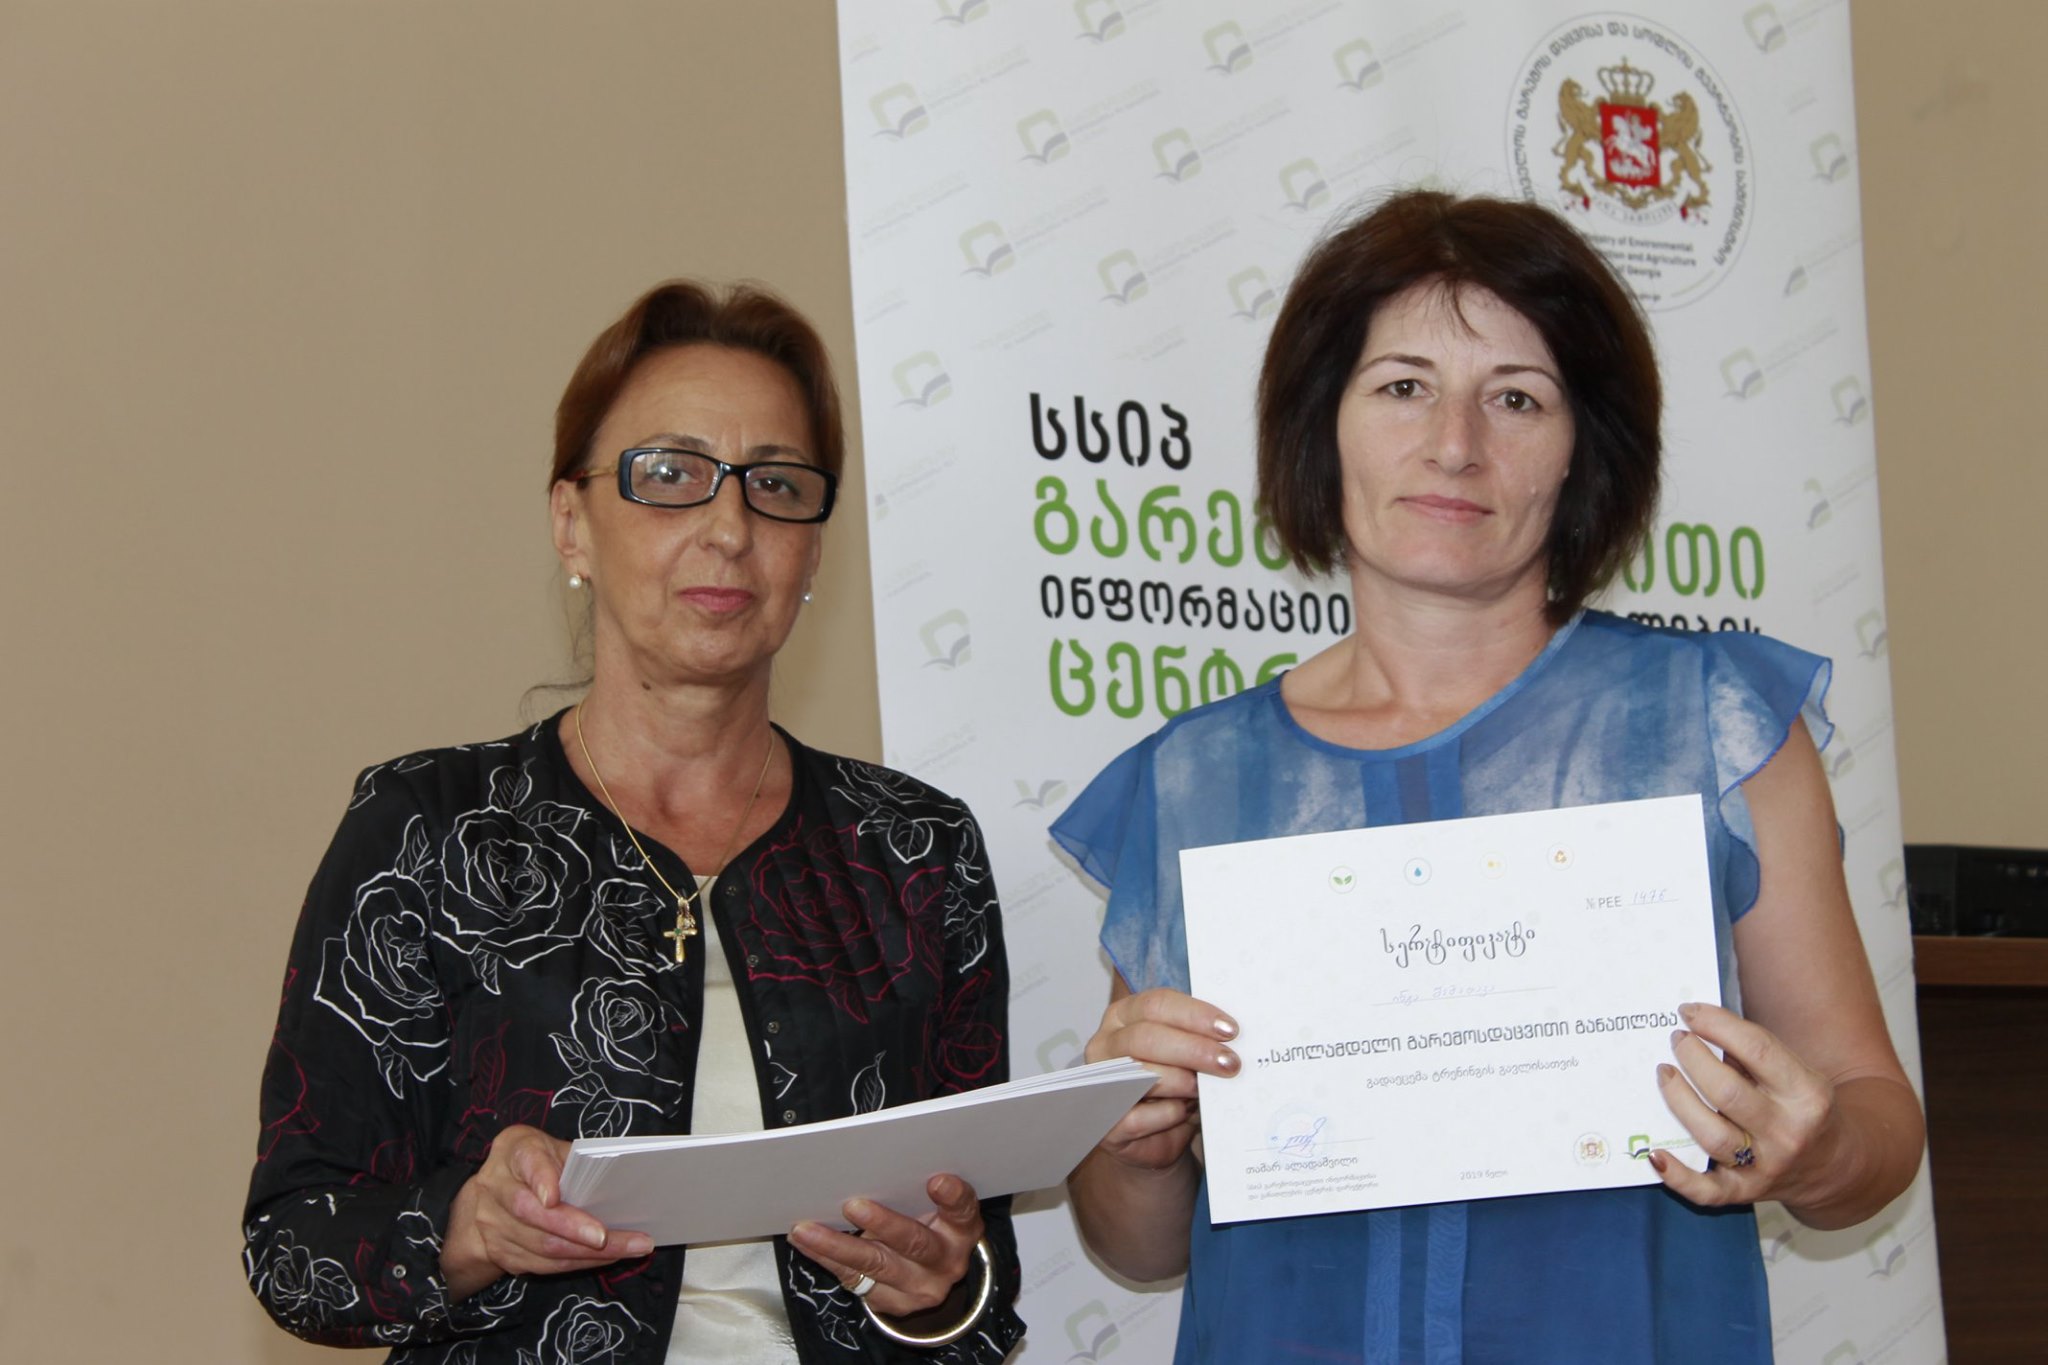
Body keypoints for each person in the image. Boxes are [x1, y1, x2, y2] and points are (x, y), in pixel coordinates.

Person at [1050, 190, 1924, 1364]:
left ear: (1580, 452)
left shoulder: (1711, 725)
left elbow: (1873, 1119)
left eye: (1515, 398)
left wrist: (1816, 1153)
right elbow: (1140, 1247)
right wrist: (1131, 1138)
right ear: (1322, 425)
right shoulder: (1193, 778)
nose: (1454, 444)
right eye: (1401, 387)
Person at [243, 282, 1025, 1364]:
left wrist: (938, 1288)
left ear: (812, 551)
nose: (729, 528)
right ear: (571, 522)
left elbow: (980, 1274)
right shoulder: (427, 828)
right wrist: (467, 1227)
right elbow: (294, 1249)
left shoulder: (914, 850)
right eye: (669, 475)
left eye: (776, 486)